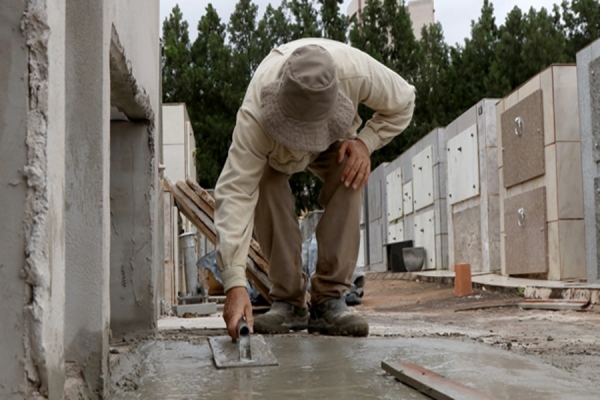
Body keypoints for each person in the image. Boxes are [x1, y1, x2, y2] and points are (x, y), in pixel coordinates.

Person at [214, 38, 415, 339]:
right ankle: (289, 301)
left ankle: (328, 301)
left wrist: (365, 143)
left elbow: (404, 100)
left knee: (351, 167)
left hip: (335, 143)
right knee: (264, 182)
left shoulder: (355, 71)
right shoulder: (256, 113)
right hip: (274, 152)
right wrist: (234, 282)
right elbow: (235, 192)